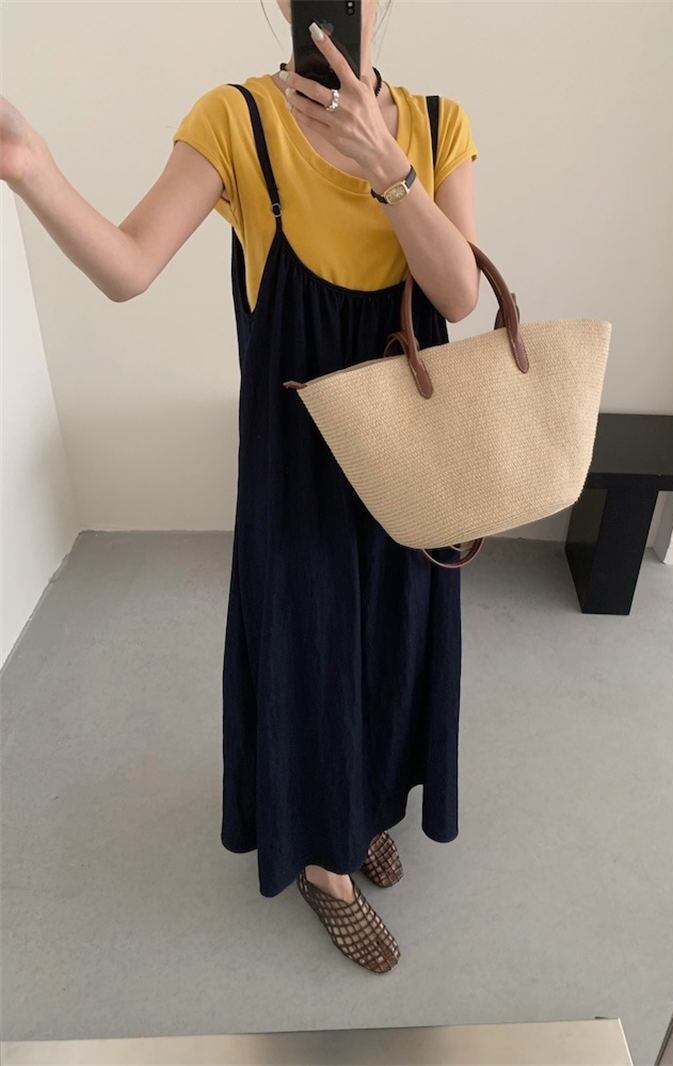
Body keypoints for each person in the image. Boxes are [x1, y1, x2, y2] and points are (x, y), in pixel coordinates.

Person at [1, 0, 479, 974]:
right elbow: (130, 267)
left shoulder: (437, 125)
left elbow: (458, 294)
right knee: (311, 646)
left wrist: (387, 165)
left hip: (410, 447)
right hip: (299, 459)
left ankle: (363, 810)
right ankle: (323, 866)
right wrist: (32, 169)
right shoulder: (238, 119)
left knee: (394, 634)